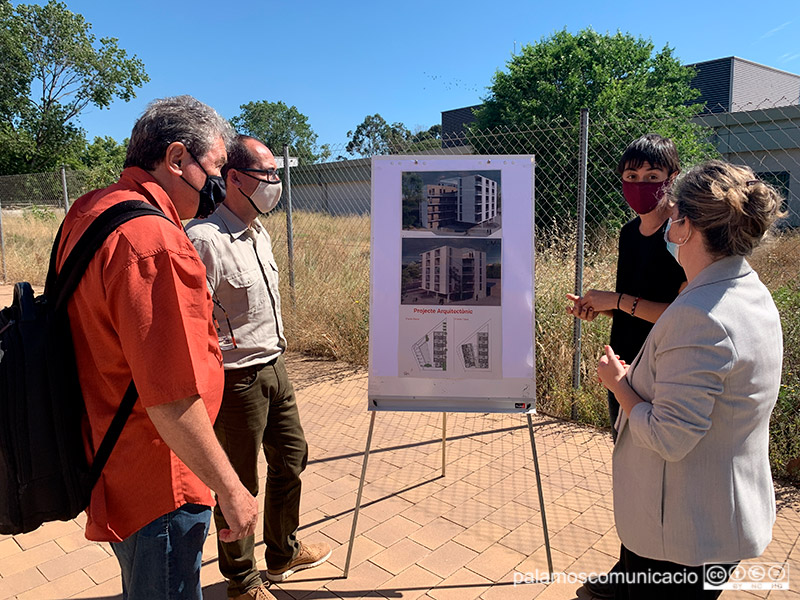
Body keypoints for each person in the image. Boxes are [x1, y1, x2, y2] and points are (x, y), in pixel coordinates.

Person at [56, 96, 258, 600]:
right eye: (214, 167)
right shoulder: (154, 241)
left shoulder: (90, 209)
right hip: (160, 478)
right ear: (175, 159)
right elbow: (170, 398)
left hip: (110, 456)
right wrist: (231, 490)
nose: (218, 184)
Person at [596, 160, 785, 599]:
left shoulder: (700, 318)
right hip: (718, 518)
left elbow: (668, 437)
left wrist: (619, 382)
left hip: (682, 534)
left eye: (674, 211)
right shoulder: (748, 290)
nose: (668, 220)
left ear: (685, 227)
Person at [186, 135, 331, 600]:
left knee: (292, 458)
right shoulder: (205, 239)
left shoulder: (258, 232)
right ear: (234, 178)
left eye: (276, 173)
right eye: (267, 174)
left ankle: (282, 553)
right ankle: (242, 579)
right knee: (240, 482)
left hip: (275, 366)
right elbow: (193, 322)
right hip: (236, 380)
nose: (275, 183)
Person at [567, 134, 687, 599]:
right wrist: (600, 307)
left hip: (662, 365)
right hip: (623, 365)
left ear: (672, 178)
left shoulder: (680, 235)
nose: (640, 185)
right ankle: (630, 567)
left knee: (654, 474)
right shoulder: (626, 232)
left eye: (652, 177)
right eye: (631, 177)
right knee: (630, 470)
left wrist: (615, 300)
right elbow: (633, 301)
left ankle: (645, 573)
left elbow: (678, 312)